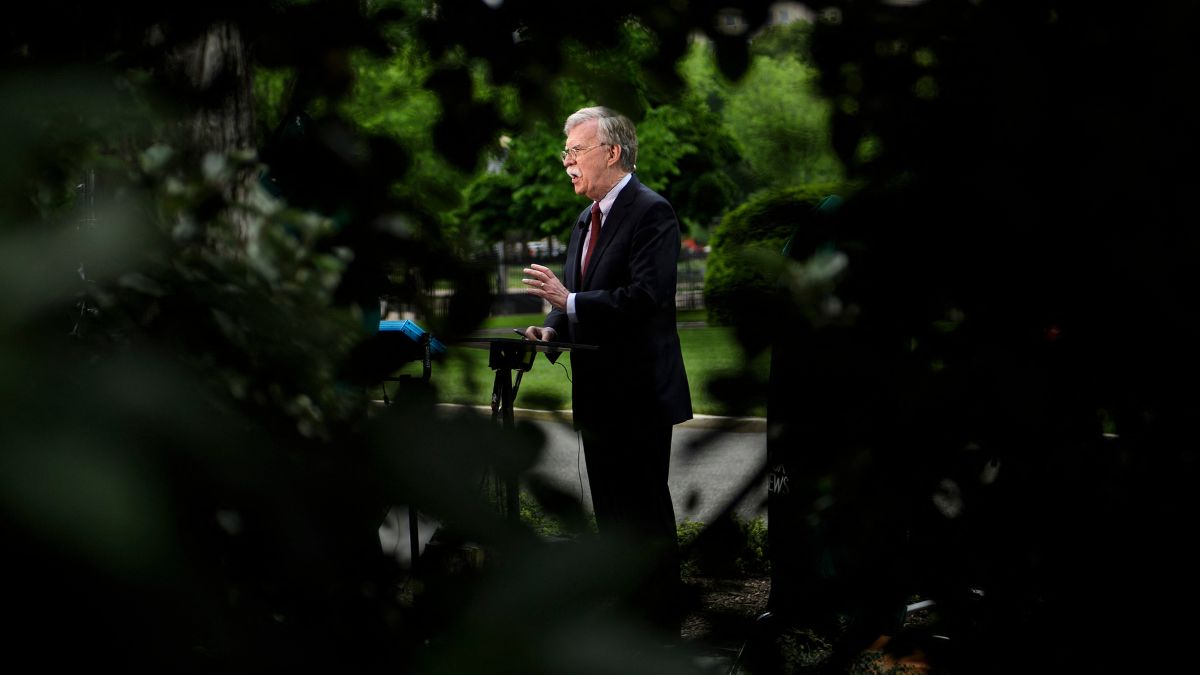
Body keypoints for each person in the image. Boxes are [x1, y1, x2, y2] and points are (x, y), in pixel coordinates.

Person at [522, 106, 692, 638]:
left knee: (642, 507)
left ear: (611, 152)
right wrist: (553, 324)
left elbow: (646, 297)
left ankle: (661, 619)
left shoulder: (652, 212)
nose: (567, 164)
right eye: (565, 155)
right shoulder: (585, 216)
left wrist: (568, 300)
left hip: (638, 391)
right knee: (612, 511)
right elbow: (577, 292)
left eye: (575, 152)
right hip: (597, 391)